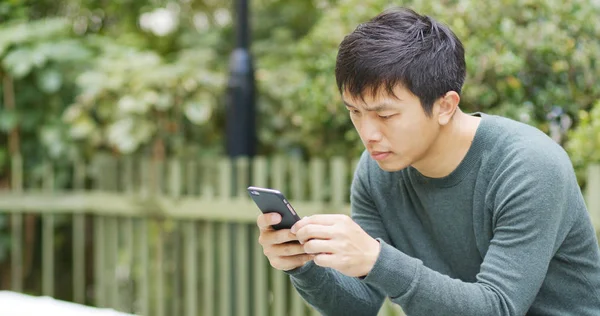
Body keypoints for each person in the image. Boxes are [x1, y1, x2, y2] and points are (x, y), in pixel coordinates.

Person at [256, 7, 600, 316]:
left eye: (385, 115)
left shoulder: (529, 166)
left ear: (445, 106)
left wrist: (379, 260)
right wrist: (304, 266)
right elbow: (360, 304)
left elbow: (498, 307)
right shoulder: (377, 171)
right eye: (355, 113)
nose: (368, 133)